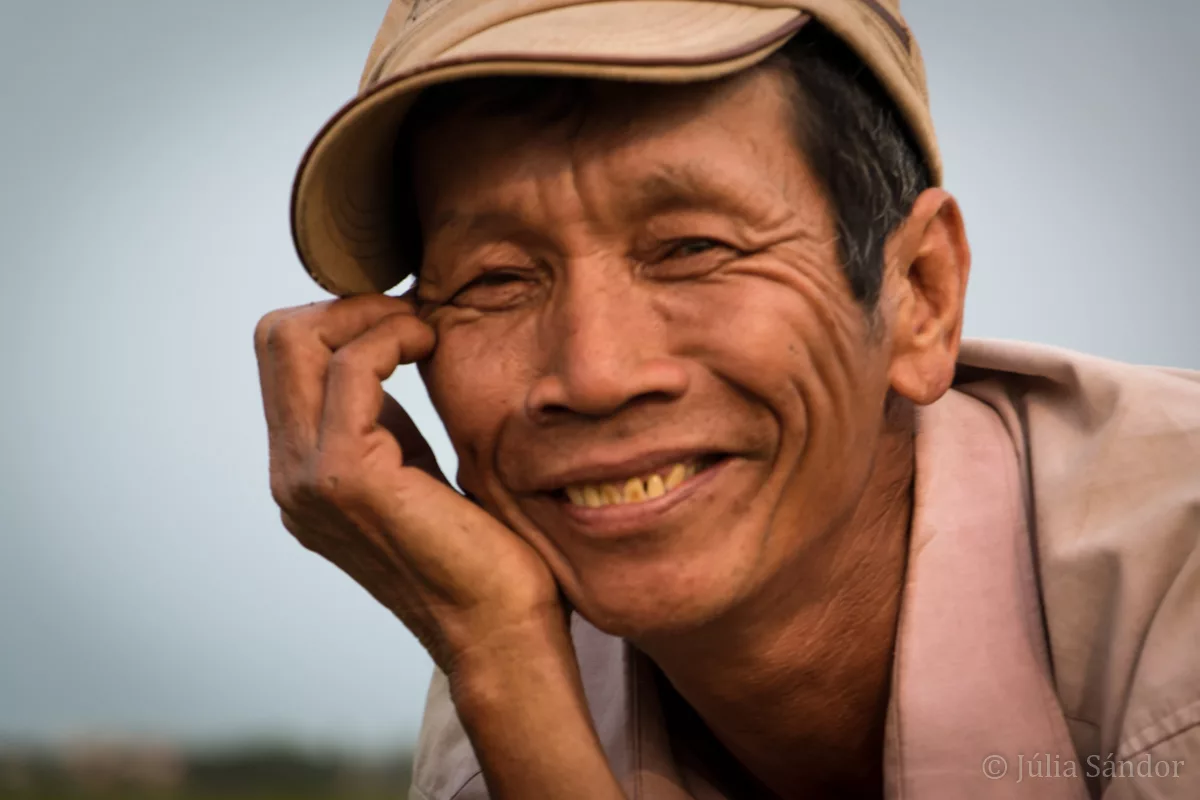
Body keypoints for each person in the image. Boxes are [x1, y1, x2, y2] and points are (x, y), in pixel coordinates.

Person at [253, 1, 1200, 797]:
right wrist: (494, 653)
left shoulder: (1175, 602)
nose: (595, 374)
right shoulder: (509, 658)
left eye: (693, 248)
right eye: (498, 278)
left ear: (919, 294)